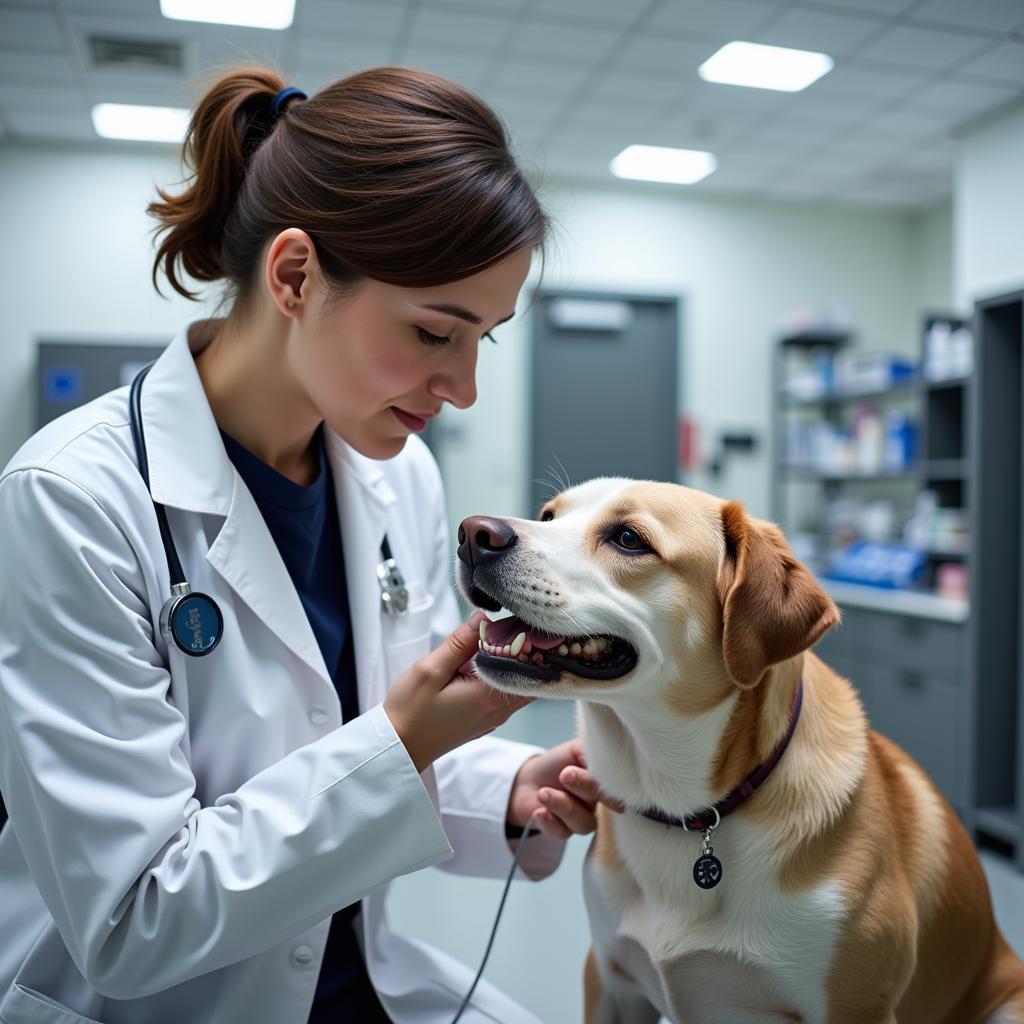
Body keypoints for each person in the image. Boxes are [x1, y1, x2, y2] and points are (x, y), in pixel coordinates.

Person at [0, 65, 616, 1024]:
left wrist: (509, 787)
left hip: (347, 980)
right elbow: (132, 920)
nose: (462, 388)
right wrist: (407, 738)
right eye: (431, 331)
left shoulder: (395, 471)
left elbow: (363, 742)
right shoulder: (74, 499)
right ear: (294, 276)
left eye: (482, 340)